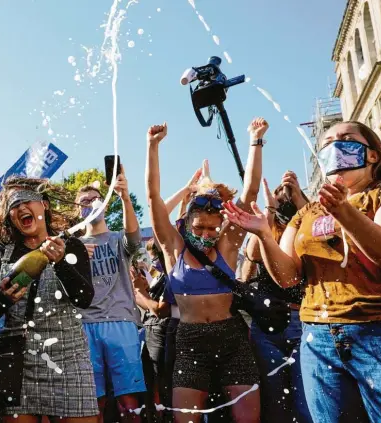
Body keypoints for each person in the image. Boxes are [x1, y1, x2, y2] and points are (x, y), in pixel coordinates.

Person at [223, 120, 381, 423]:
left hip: (376, 330)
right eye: (327, 142)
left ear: (373, 154)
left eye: (346, 138)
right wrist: (264, 236)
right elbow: (288, 277)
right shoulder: (307, 213)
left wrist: (346, 212)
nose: (335, 145)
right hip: (318, 337)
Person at [146, 119, 266, 423]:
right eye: (199, 227)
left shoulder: (226, 245)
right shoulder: (174, 247)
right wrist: (153, 146)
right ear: (186, 223)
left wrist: (255, 140)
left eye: (213, 228)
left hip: (232, 339)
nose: (207, 234)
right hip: (189, 340)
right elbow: (152, 198)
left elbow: (250, 191)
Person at [0, 176, 98, 423]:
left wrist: (61, 263)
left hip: (68, 357)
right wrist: (2, 300)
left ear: (43, 204)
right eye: (12, 203)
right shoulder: (1, 250)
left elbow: (84, 299)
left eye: (26, 199)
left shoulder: (71, 245)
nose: (20, 206)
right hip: (17, 361)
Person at [240, 173, 312, 423]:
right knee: (275, 404)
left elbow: (317, 223)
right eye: (281, 200)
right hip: (268, 327)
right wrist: (269, 210)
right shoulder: (265, 230)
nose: (285, 203)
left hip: (302, 321)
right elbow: (250, 262)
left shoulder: (306, 230)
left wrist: (301, 199)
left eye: (288, 199)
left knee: (306, 403)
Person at [74, 168, 145, 423]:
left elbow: (135, 240)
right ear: (77, 210)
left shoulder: (117, 239)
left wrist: (125, 197)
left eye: (96, 199)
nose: (91, 204)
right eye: (84, 202)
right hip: (84, 326)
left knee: (129, 403)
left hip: (121, 323)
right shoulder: (73, 246)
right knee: (93, 401)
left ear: (104, 203)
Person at [133, 240, 170, 423]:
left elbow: (159, 309)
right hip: (150, 329)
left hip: (162, 331)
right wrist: (138, 292)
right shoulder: (158, 274)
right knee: (149, 382)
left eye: (154, 256)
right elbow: (148, 306)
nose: (152, 261)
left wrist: (142, 293)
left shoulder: (171, 274)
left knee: (159, 382)